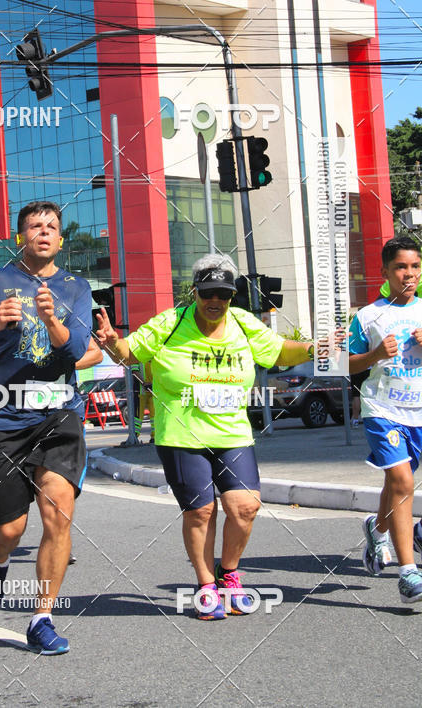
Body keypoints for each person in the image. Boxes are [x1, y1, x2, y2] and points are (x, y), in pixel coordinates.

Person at [96, 253, 325, 620]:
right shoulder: (170, 323)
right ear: (195, 292)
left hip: (232, 432)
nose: (215, 301)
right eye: (208, 294)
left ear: (232, 295)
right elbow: (129, 352)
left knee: (245, 506)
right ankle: (206, 587)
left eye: (223, 294)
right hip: (181, 434)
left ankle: (228, 574)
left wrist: (321, 348)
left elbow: (280, 350)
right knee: (202, 510)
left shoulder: (244, 324)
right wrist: (111, 342)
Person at [0, 200, 93, 655]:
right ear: (21, 235)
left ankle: (42, 617)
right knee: (10, 528)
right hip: (5, 417)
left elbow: (77, 351)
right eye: (36, 225)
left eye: (53, 226)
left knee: (58, 510)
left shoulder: (76, 287)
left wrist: (52, 319)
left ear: (60, 238)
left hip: (59, 414)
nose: (45, 231)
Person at [350, 236, 422, 603]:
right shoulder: (368, 315)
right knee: (402, 481)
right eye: (400, 267)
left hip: (420, 412)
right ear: (385, 272)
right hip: (383, 410)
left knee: (398, 488)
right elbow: (343, 364)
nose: (408, 274)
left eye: (414, 266)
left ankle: (378, 532)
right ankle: (409, 574)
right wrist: (375, 354)